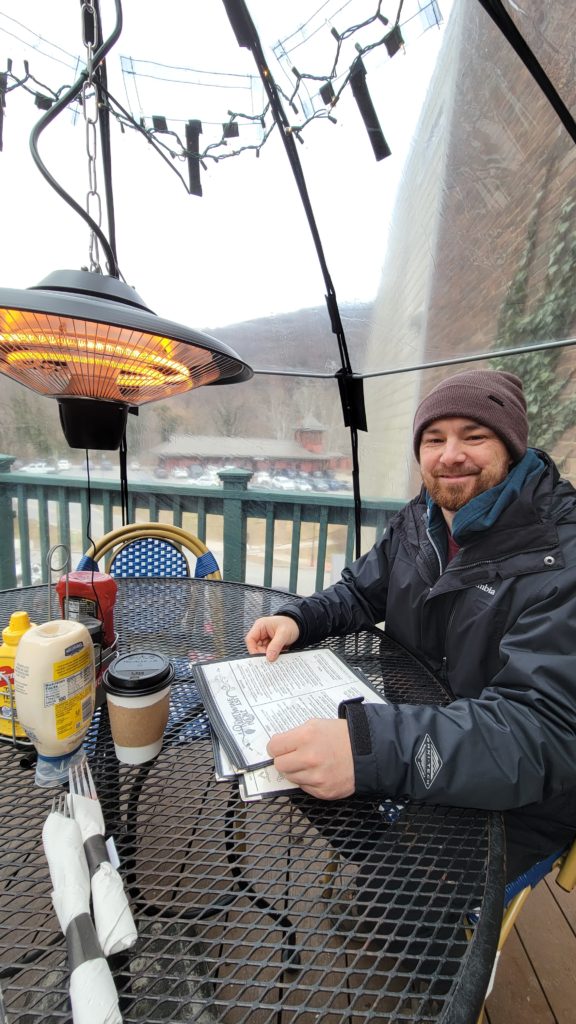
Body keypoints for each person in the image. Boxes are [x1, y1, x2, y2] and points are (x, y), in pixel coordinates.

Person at [245, 369, 576, 883]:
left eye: (475, 436)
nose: (449, 455)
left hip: (519, 795)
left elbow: (541, 732)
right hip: (413, 740)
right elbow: (359, 591)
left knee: (406, 889)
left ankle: (418, 935)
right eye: (434, 439)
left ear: (511, 447)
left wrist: (375, 748)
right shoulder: (420, 522)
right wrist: (297, 619)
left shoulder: (562, 555)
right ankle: (380, 873)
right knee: (299, 778)